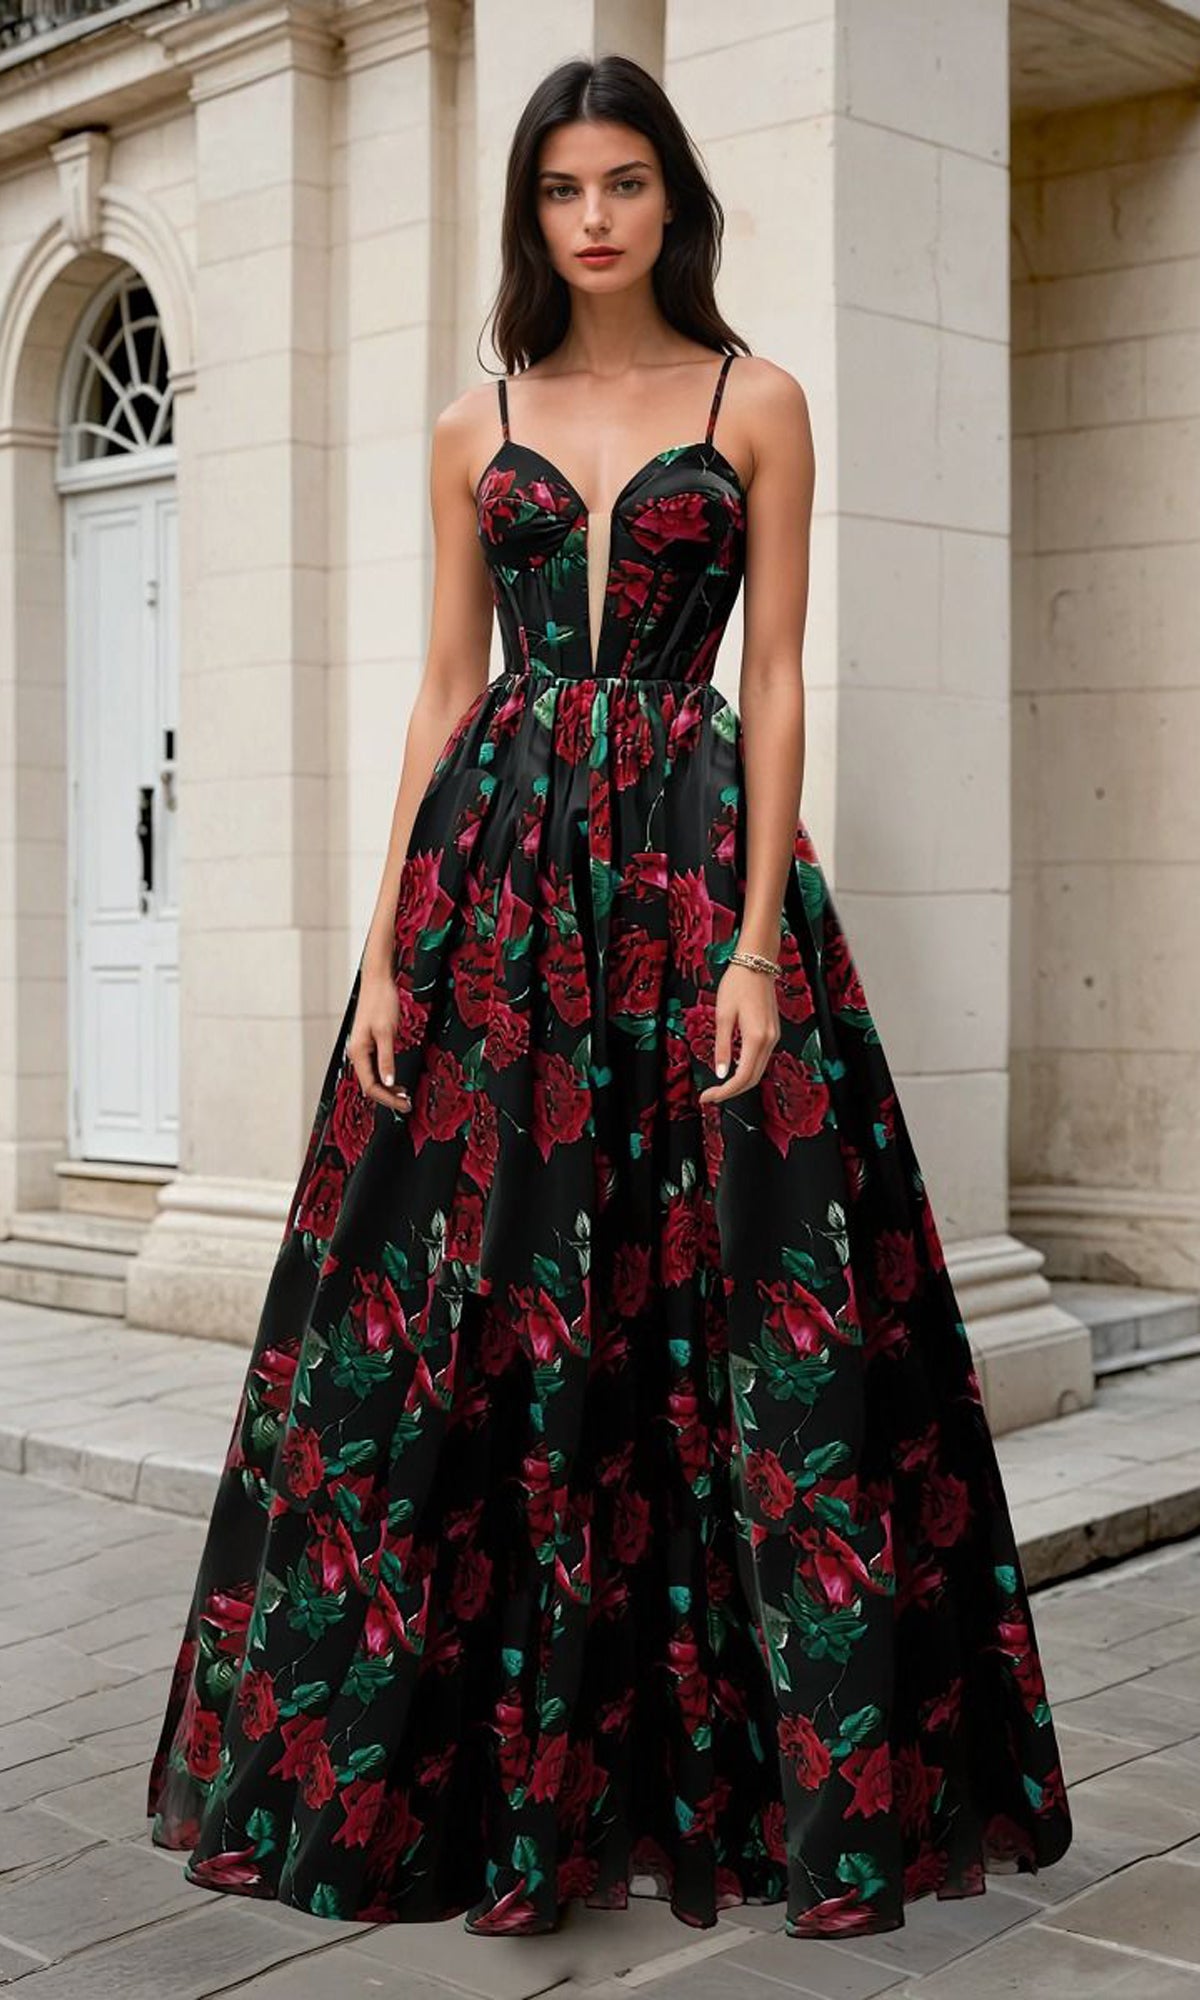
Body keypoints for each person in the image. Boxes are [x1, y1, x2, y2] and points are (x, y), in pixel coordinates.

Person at [147, 51, 1072, 1942]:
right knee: (471, 1312)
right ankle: (495, 1775)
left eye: (626, 183)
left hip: (683, 875)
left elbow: (786, 677)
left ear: (674, 198)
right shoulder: (467, 416)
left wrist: (752, 946)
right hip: (492, 890)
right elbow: (437, 685)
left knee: (732, 1304)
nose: (593, 217)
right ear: (531, 210)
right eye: (564, 187)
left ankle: (748, 1771)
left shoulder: (758, 402)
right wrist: (392, 940)